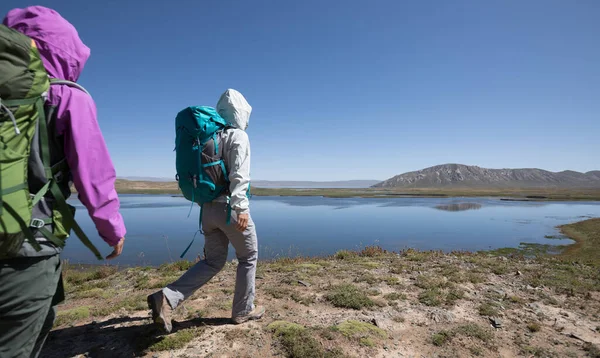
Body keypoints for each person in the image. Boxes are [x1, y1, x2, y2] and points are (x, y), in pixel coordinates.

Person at [0, 6, 126, 358]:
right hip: (25, 245)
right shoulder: (66, 95)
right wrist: (112, 229)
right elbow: (94, 175)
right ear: (64, 49)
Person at [148, 89, 263, 332]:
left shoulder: (211, 135)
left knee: (213, 261)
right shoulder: (237, 136)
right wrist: (241, 207)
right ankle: (243, 311)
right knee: (248, 257)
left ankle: (167, 298)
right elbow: (239, 176)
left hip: (207, 210)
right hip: (230, 208)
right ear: (241, 112)